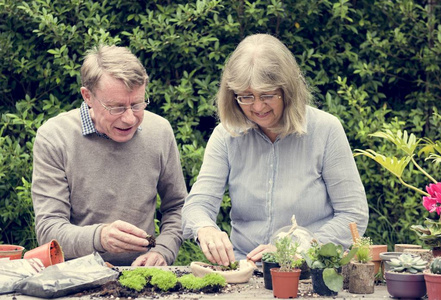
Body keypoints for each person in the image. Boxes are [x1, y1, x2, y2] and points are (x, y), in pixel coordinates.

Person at [181, 34, 369, 267]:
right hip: (245, 268)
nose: (257, 107)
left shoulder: (326, 129)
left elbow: (353, 214)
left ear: (287, 91)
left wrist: (296, 248)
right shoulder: (226, 135)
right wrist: (206, 228)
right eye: (246, 97)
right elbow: (198, 205)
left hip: (310, 268)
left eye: (267, 95)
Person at [31, 45, 188, 266]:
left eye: (137, 105)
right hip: (77, 278)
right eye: (116, 108)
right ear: (88, 96)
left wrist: (162, 251)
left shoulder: (159, 131)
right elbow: (49, 230)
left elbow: (178, 207)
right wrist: (100, 238)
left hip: (142, 276)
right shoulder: (55, 137)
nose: (130, 119)